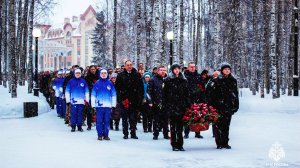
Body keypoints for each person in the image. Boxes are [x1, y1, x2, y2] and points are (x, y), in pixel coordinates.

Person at [212, 63, 239, 149]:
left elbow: (235, 94)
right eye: (225, 69)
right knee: (218, 125)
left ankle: (225, 142)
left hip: (228, 106)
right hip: (219, 106)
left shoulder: (233, 80)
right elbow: (212, 92)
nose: (227, 70)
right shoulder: (217, 80)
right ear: (222, 70)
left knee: (226, 126)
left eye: (228, 69)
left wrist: (236, 105)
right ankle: (219, 143)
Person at [163, 64, 189, 151]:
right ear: (172, 70)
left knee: (180, 127)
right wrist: (166, 106)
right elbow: (164, 94)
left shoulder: (183, 80)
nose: (177, 70)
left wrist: (187, 104)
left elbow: (186, 94)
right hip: (172, 106)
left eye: (178, 69)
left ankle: (180, 144)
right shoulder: (168, 80)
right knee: (173, 127)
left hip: (181, 106)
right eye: (175, 69)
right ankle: (174, 144)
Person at [115, 60, 144, 139]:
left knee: (133, 118)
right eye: (127, 65)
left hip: (134, 100)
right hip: (124, 100)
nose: (129, 66)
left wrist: (139, 98)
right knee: (124, 118)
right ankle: (125, 133)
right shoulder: (120, 75)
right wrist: (121, 99)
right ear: (125, 66)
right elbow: (117, 88)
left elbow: (140, 88)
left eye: (131, 65)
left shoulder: (137, 75)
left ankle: (133, 133)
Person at [91, 69, 116, 140]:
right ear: (100, 74)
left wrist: (113, 104)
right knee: (99, 121)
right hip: (99, 106)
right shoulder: (97, 83)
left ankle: (106, 135)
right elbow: (93, 95)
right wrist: (93, 105)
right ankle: (99, 135)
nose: (104, 74)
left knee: (107, 121)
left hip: (108, 105)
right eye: (102, 73)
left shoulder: (110, 83)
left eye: (105, 73)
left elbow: (113, 94)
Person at [148, 66, 169, 140]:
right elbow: (149, 92)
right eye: (161, 70)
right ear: (158, 71)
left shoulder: (167, 79)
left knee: (165, 119)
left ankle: (166, 134)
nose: (163, 71)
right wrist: (150, 101)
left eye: (164, 70)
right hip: (156, 102)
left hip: (165, 102)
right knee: (156, 119)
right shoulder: (153, 79)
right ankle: (156, 134)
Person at [183, 62, 204, 139]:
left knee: (198, 115)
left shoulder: (198, 76)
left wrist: (201, 97)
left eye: (193, 67)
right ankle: (186, 132)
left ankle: (197, 132)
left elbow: (202, 87)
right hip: (188, 98)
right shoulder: (184, 76)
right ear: (188, 68)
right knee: (187, 116)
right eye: (191, 67)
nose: (192, 68)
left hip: (197, 98)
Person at [84, 65, 99, 130]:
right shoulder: (87, 77)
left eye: (94, 69)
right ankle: (89, 124)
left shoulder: (99, 77)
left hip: (98, 95)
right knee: (89, 110)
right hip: (90, 94)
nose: (93, 70)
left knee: (98, 110)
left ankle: (98, 123)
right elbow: (86, 87)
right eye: (92, 69)